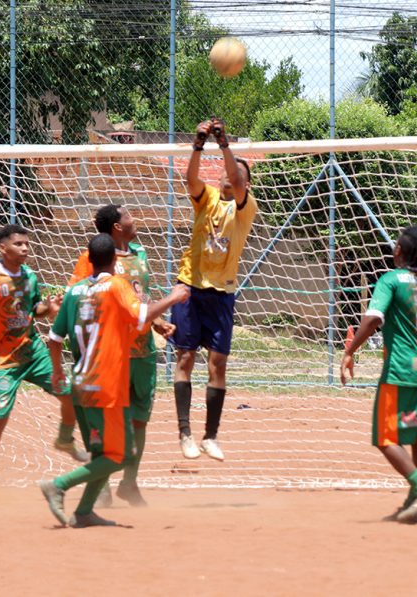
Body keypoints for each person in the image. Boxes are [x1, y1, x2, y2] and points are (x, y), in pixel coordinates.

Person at [40, 234, 189, 527]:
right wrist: (173, 297)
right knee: (121, 455)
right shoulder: (117, 285)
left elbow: (54, 339)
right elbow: (140, 316)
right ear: (114, 261)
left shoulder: (74, 291)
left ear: (90, 260)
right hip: (106, 385)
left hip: (79, 383)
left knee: (102, 453)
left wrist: (58, 373)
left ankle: (83, 513)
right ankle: (58, 485)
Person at [0, 224, 86, 485]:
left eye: (27, 243)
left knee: (69, 394)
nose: (25, 248)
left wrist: (50, 306)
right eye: (19, 244)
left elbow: (36, 309)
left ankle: (65, 439)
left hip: (33, 351)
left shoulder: (29, 275)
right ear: (3, 247)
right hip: (3, 359)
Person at [340, 226, 417, 524]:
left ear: (400, 251)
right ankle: (415, 505)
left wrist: (351, 350)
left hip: (400, 372)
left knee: (385, 437)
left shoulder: (389, 280)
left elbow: (374, 318)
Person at [69, 205, 175, 507]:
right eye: (129, 214)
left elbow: (141, 297)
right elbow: (78, 297)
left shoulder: (140, 253)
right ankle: (98, 485)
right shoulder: (92, 259)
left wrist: (157, 322)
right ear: (117, 226)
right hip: (110, 354)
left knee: (139, 420)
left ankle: (129, 483)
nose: (135, 217)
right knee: (104, 420)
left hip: (142, 351)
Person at [172, 117, 257, 461]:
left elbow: (236, 178)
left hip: (221, 292)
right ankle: (185, 433)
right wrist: (198, 144)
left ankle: (211, 435)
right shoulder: (205, 197)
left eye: (236, 172)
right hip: (191, 286)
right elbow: (190, 179)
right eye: (224, 169)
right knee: (186, 357)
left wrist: (224, 144)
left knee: (218, 364)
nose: (227, 173)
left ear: (246, 183)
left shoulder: (245, 207)